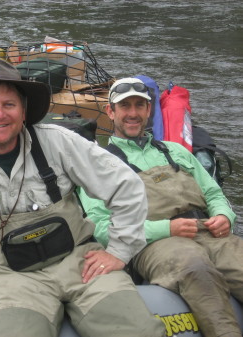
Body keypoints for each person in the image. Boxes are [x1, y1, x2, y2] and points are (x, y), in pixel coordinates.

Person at [0, 59, 165, 337]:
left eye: (9, 105)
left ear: (23, 112)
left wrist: (119, 250)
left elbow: (126, 186)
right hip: (11, 277)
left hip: (82, 264)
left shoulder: (58, 141)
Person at [78, 77, 243, 337]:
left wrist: (224, 215)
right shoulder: (96, 165)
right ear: (110, 112)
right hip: (154, 243)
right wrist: (166, 228)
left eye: (139, 106)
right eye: (125, 106)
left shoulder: (176, 150)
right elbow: (100, 228)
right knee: (195, 268)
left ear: (149, 111)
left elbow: (213, 193)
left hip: (208, 231)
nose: (133, 113)